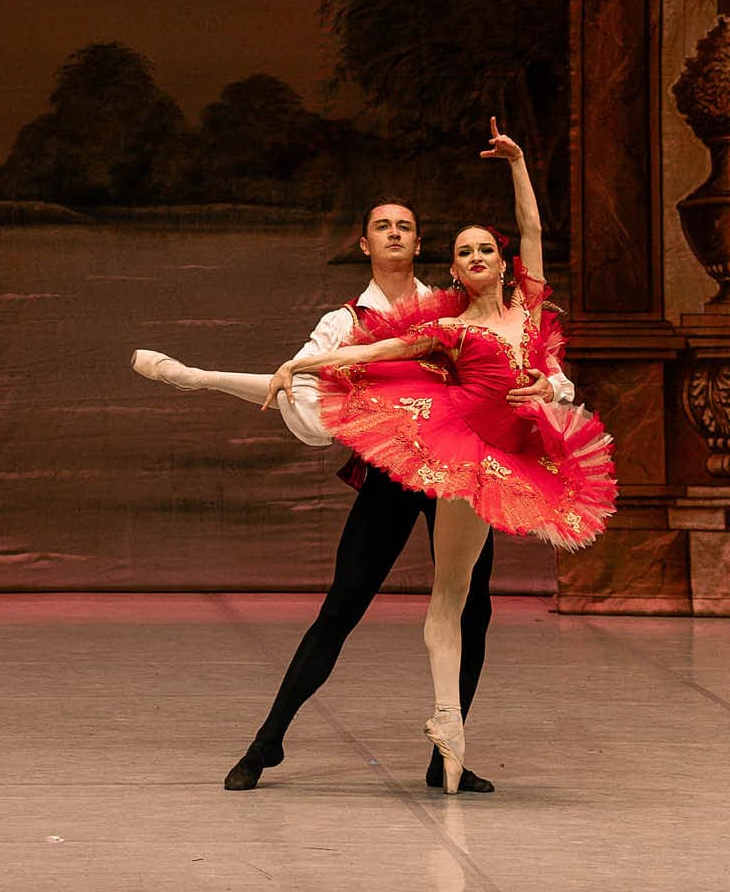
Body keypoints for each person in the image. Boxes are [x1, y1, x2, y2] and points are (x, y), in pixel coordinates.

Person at [134, 121, 611, 795]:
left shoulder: (452, 303)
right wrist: (283, 372)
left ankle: (447, 753)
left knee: (472, 607)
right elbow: (322, 379)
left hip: (463, 469)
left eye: (405, 227)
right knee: (345, 603)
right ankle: (268, 742)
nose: (394, 234)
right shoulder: (346, 319)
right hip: (396, 469)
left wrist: (548, 386)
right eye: (382, 226)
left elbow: (531, 356)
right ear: (364, 243)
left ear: (421, 245)